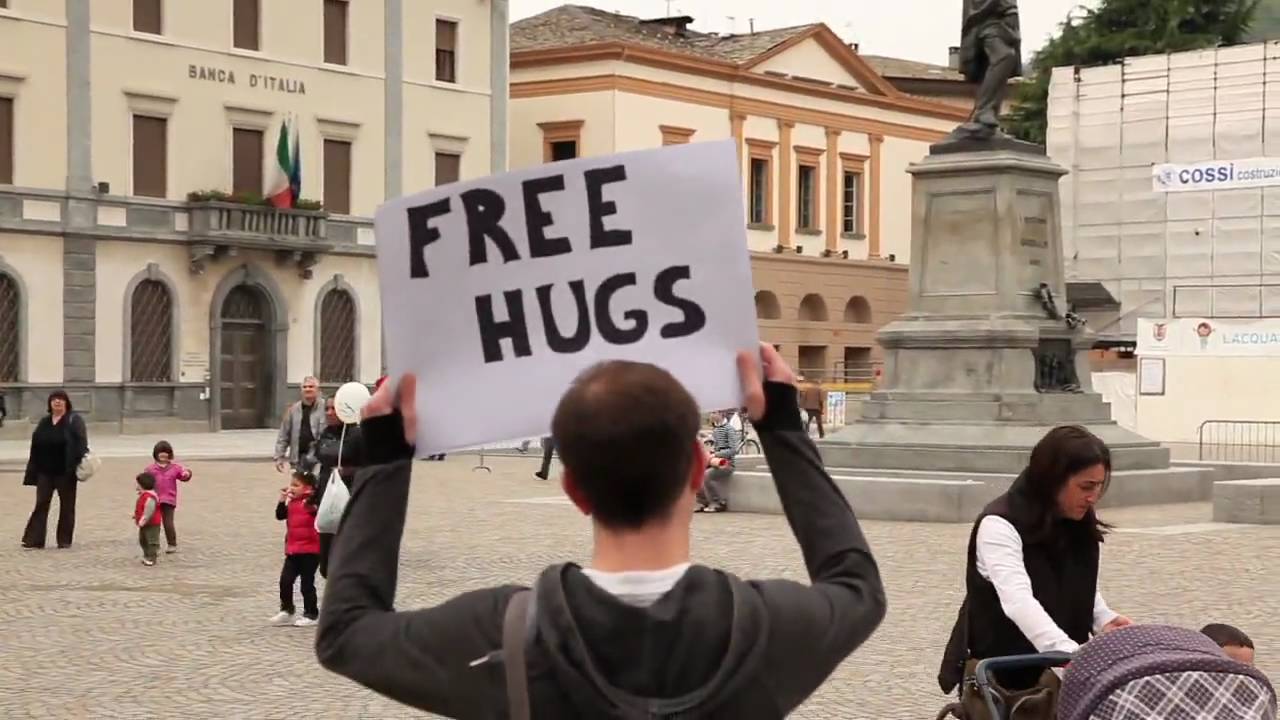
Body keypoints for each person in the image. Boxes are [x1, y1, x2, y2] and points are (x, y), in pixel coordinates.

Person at [316, 344, 886, 717]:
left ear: (574, 490)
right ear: (697, 468)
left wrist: (384, 456)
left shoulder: (505, 634)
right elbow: (856, 584)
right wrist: (783, 425)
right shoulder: (766, 628)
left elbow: (345, 632)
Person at [938, 425, 1132, 698]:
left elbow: (1074, 577)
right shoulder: (999, 525)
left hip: (1062, 671)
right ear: (1053, 480)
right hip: (1009, 676)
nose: (1093, 497)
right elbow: (1018, 601)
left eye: (1099, 487)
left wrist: (1102, 617)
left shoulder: (1074, 517)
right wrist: (1068, 655)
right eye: (1085, 487)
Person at [21, 390, 89, 549]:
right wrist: (33, 468)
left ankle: (64, 540)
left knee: (67, 506)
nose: (57, 402)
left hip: (65, 471)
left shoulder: (74, 420)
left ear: (66, 403)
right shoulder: (44, 421)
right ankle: (34, 539)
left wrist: (76, 462)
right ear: (50, 403)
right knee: (41, 504)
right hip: (45, 470)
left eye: (60, 399)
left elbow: (81, 443)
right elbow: (35, 444)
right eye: (54, 400)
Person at [311, 396, 364, 578]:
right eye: (327, 408)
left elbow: (370, 466)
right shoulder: (326, 433)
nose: (329, 413)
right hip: (327, 497)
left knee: (345, 557)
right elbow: (319, 458)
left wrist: (349, 471)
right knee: (325, 564)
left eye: (334, 409)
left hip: (348, 497)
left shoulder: (356, 434)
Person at [272, 470, 322, 628]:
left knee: (307, 584)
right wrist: (282, 500)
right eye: (291, 484)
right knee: (285, 581)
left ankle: (311, 614)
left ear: (307, 488)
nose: (291, 488)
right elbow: (280, 515)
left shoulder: (311, 503)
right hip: (293, 550)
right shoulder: (292, 503)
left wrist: (312, 499)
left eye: (296, 485)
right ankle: (287, 609)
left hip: (311, 551)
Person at [144, 440, 192, 554]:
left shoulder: (175, 468)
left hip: (169, 500)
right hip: (154, 499)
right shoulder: (151, 469)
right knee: (154, 523)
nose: (163, 455)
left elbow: (183, 475)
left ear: (169, 454)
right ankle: (154, 545)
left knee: (168, 522)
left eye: (166, 452)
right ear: (156, 454)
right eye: (160, 452)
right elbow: (145, 481)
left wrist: (187, 474)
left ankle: (172, 544)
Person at [274, 376, 325, 474]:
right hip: (298, 459)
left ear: (318, 390)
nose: (307, 389)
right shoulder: (293, 409)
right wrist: (279, 456)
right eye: (304, 387)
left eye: (311, 387)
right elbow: (283, 435)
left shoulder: (326, 408)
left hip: (319, 459)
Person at [696, 410, 739, 513]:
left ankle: (718, 502)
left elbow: (733, 450)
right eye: (711, 413)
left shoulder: (729, 429)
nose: (711, 415)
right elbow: (716, 447)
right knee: (696, 473)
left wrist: (716, 454)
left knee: (707, 475)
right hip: (715, 462)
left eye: (714, 413)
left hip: (727, 464)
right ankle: (703, 501)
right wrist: (711, 453)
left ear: (721, 414)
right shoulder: (716, 430)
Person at [134, 472, 163, 566]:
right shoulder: (143, 495)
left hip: (152, 523)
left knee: (151, 540)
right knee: (143, 540)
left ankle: (152, 557)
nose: (136, 486)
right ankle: (147, 555)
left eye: (138, 484)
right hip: (145, 523)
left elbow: (149, 511)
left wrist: (143, 520)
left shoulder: (150, 497)